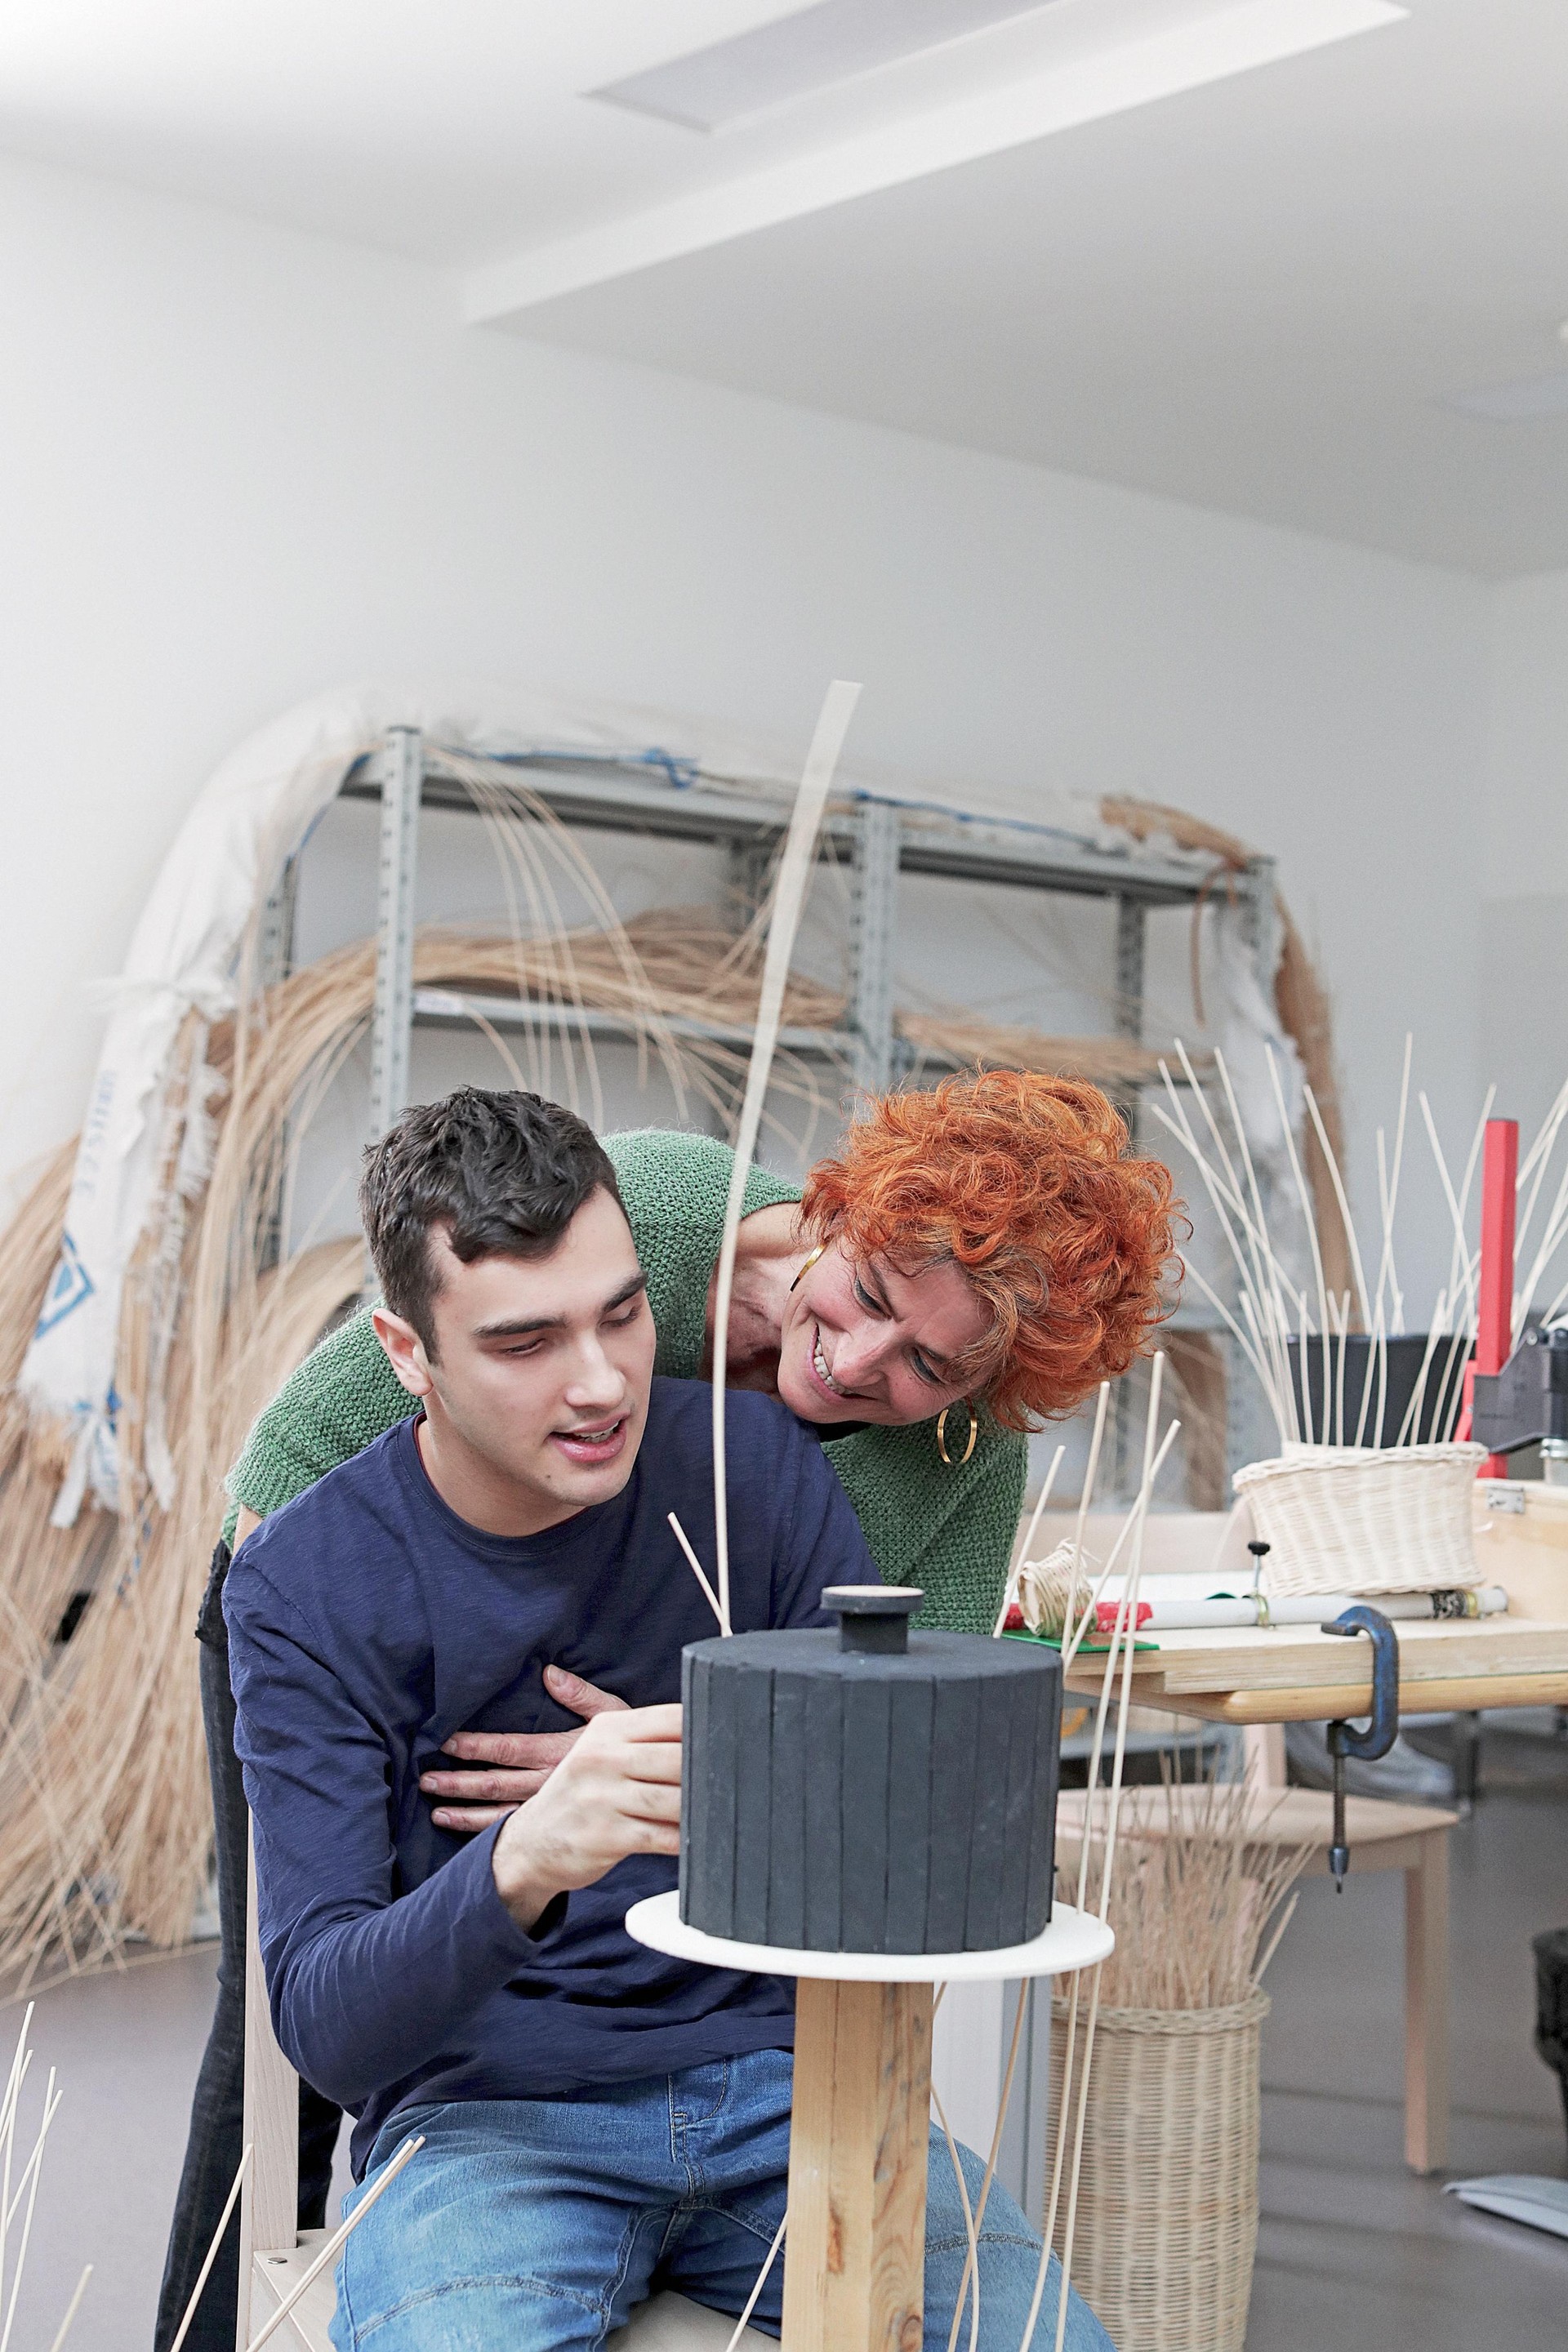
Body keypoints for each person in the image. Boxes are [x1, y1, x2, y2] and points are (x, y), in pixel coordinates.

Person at [155, 1076, 1175, 2347]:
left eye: (623, 1318)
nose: (599, 1385)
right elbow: (327, 2015)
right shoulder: (317, 1574)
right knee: (284, 2017)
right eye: (528, 1342)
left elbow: (908, 1784)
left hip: (786, 2095)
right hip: (496, 2117)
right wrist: (521, 1839)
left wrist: (714, 1758)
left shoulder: (771, 1472)